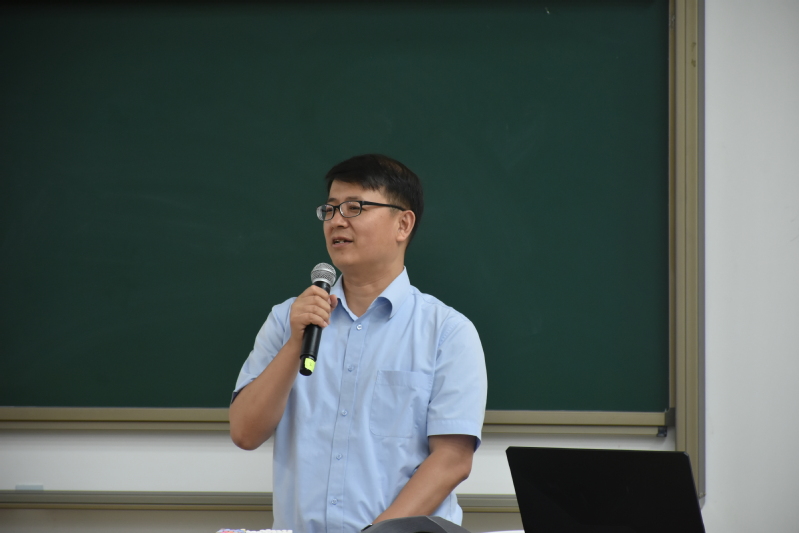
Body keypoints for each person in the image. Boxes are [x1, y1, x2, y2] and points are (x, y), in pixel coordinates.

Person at [229, 154, 487, 533]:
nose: (337, 221)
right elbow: (245, 433)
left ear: (403, 224)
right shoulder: (288, 320)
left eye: (355, 207)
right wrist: (295, 343)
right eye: (330, 209)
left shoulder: (447, 332)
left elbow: (452, 460)